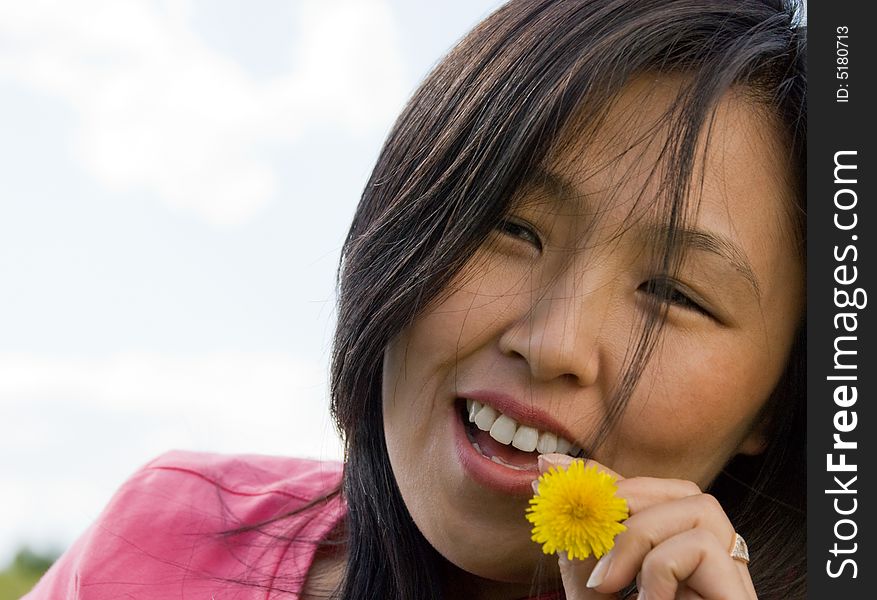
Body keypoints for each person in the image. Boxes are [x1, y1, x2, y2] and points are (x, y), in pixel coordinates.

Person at [26, 0, 806, 598]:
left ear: (776, 402)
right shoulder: (169, 540)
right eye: (509, 225)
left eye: (672, 291)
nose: (553, 343)